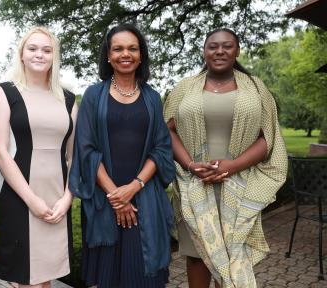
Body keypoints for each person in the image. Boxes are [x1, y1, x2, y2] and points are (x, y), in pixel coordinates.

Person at [163, 28, 288, 288]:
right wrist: (190, 164)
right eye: (213, 46)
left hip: (240, 185)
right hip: (194, 184)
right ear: (205, 51)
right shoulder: (185, 88)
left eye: (227, 46)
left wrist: (232, 166)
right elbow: (167, 129)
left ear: (237, 51)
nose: (220, 51)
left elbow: (269, 138)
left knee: (233, 254)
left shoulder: (256, 88)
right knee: (197, 256)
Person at [69, 23, 175, 288]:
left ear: (141, 55)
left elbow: (161, 149)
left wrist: (134, 186)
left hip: (145, 200)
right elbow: (86, 149)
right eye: (118, 49)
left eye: (132, 48)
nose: (125, 54)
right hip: (105, 201)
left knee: (145, 277)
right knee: (108, 278)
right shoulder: (94, 95)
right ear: (108, 55)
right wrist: (117, 197)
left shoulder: (152, 97)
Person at [0, 27, 77, 287]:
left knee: (45, 277)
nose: (40, 54)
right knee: (25, 278)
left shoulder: (69, 99)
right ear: (22, 55)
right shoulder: (5, 92)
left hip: (57, 198)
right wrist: (32, 200)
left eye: (47, 50)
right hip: (21, 196)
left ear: (54, 56)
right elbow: (0, 152)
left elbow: (75, 157)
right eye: (33, 48)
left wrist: (67, 199)